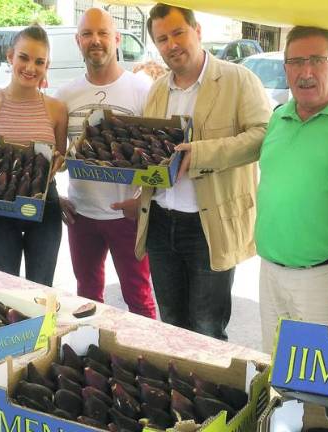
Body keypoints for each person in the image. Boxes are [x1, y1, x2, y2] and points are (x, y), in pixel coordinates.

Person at [112, 4, 271, 341]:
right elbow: (152, 155)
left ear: (197, 31)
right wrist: (139, 192)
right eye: (162, 39)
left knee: (207, 327)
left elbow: (262, 136)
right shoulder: (157, 90)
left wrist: (201, 153)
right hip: (160, 222)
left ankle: (211, 392)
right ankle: (179, 391)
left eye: (178, 33)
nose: (171, 45)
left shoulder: (238, 80)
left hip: (207, 225)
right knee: (171, 323)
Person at [255, 26, 328, 352]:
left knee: (323, 381)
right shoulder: (279, 116)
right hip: (270, 272)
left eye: (317, 60)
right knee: (275, 373)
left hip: (325, 278)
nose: (305, 72)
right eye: (296, 62)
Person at [55, 8, 157, 318]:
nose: (95, 40)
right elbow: (56, 159)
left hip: (127, 216)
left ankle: (145, 358)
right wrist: (54, 197)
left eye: (102, 33)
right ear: (78, 41)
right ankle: (92, 356)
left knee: (138, 297)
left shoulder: (142, 91)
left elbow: (158, 157)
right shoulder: (65, 95)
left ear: (116, 39)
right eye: (87, 34)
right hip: (80, 214)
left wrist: (141, 202)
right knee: (86, 296)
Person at [0, 26, 68, 286]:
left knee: (41, 288)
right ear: (10, 56)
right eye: (24, 57)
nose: (30, 68)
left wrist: (60, 161)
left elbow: (60, 158)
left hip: (44, 206)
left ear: (48, 66)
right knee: (3, 288)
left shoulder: (57, 109)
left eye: (40, 62)